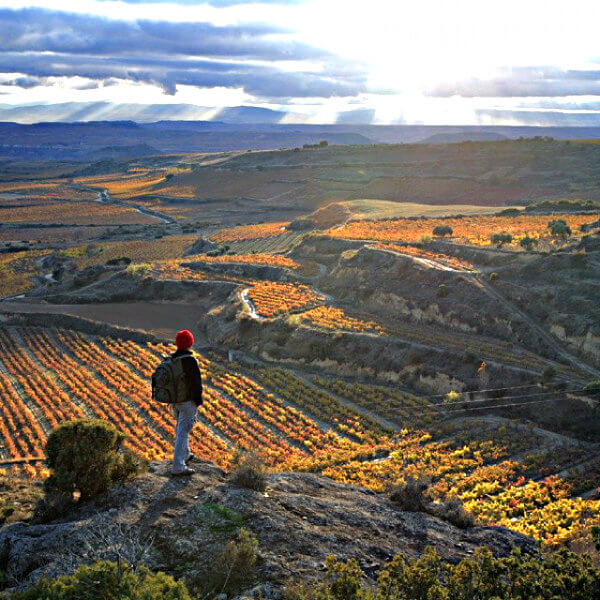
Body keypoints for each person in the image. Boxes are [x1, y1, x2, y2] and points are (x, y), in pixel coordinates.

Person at [171, 329, 203, 476]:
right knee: (183, 431)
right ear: (190, 343)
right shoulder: (190, 360)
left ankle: (186, 453)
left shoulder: (172, 359)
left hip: (175, 400)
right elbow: (196, 384)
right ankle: (178, 466)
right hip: (187, 401)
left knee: (181, 427)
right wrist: (198, 401)